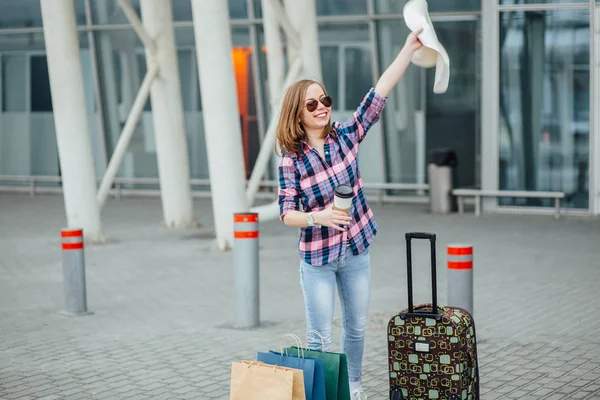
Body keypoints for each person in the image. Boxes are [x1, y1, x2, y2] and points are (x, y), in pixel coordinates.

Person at [276, 29, 424, 400]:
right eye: (312, 104)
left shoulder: (345, 136)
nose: (322, 107)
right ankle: (326, 394)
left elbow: (379, 93)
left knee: (356, 328)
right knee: (320, 335)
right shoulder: (291, 161)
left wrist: (407, 48)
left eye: (324, 99)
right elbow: (285, 213)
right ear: (298, 113)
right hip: (318, 260)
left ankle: (353, 388)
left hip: (355, 251)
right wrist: (319, 217)